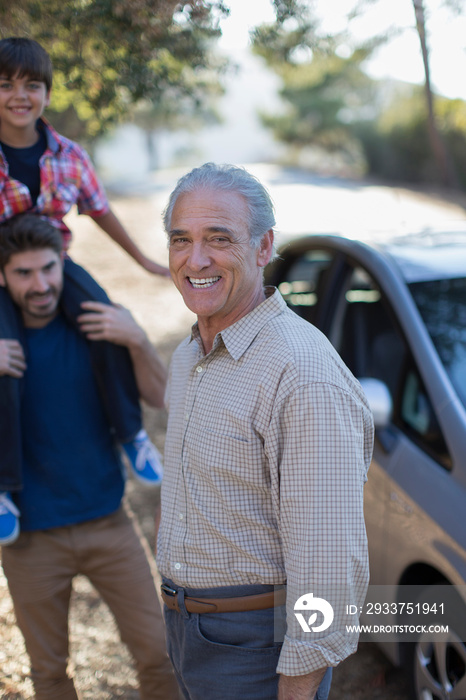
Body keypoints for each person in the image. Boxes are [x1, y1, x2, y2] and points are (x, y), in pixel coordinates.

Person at [156, 162, 374, 700]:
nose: (195, 259)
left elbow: (327, 571)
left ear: (262, 247)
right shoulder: (192, 353)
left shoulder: (303, 376)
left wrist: (296, 690)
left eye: (218, 239)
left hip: (256, 648)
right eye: (180, 239)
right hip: (188, 634)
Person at [0, 214, 179, 700]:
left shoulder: (96, 327)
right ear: (3, 275)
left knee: (161, 655)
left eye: (48, 268)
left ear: (64, 264)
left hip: (109, 524)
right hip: (28, 541)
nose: (40, 284)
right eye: (23, 273)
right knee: (50, 673)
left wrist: (136, 338)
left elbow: (164, 397)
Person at [0, 36, 169, 544]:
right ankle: (4, 485)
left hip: (56, 264)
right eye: (5, 84)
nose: (19, 95)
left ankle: (131, 434)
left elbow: (99, 210)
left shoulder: (68, 155)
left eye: (31, 85)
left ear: (47, 93)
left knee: (107, 321)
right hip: (1, 272)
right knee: (6, 360)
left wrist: (141, 259)